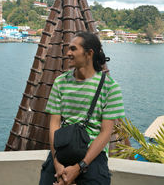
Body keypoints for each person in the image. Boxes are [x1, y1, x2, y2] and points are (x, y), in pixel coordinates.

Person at [39, 31, 125, 185]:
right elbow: (54, 125)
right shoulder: (60, 83)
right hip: (62, 150)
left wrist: (80, 166)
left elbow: (106, 133)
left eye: (73, 49)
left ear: (89, 53)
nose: (68, 53)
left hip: (92, 155)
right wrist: (57, 164)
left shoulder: (110, 87)